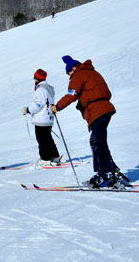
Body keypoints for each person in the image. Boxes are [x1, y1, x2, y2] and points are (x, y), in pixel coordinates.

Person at [52, 56, 123, 189]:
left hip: (97, 111)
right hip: (105, 109)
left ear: (73, 68)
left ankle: (106, 172)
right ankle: (107, 170)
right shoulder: (94, 73)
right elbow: (106, 92)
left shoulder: (78, 75)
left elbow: (71, 95)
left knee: (98, 141)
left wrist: (57, 107)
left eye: (69, 73)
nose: (69, 76)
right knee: (97, 141)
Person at [21, 69, 61, 166]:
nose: (34, 79)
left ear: (37, 79)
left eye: (34, 78)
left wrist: (28, 109)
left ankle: (45, 159)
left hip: (41, 118)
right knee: (48, 138)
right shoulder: (49, 88)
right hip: (48, 117)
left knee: (42, 140)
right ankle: (55, 157)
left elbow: (38, 104)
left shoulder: (40, 90)